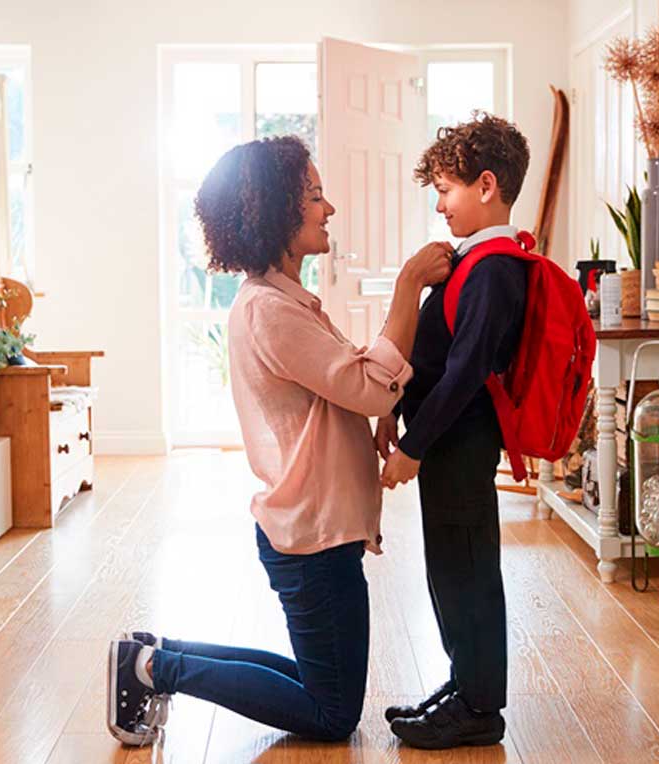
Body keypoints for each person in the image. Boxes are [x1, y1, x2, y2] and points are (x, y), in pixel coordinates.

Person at [105, 135, 452, 747]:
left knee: (321, 683)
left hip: (314, 529)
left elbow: (344, 389)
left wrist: (375, 410)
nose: (330, 209)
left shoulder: (283, 301)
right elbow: (369, 386)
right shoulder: (271, 310)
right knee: (331, 712)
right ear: (276, 214)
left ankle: (155, 653)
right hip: (312, 537)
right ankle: (157, 669)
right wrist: (408, 288)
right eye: (315, 196)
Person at [377, 113, 531, 749]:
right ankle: (465, 684)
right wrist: (394, 406)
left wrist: (413, 447)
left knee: (467, 570)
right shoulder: (471, 261)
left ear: (486, 185)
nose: (439, 204)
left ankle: (479, 707)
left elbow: (466, 371)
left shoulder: (495, 267)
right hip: (448, 443)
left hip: (460, 444)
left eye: (446, 189)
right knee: (448, 567)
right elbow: (436, 354)